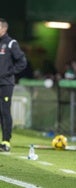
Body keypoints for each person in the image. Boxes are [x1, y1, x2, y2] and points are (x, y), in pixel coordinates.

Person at [0, 18, 27, 151]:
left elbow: (22, 62)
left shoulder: (11, 43)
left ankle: (6, 142)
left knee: (5, 111)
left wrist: (9, 73)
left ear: (4, 28)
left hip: (6, 84)